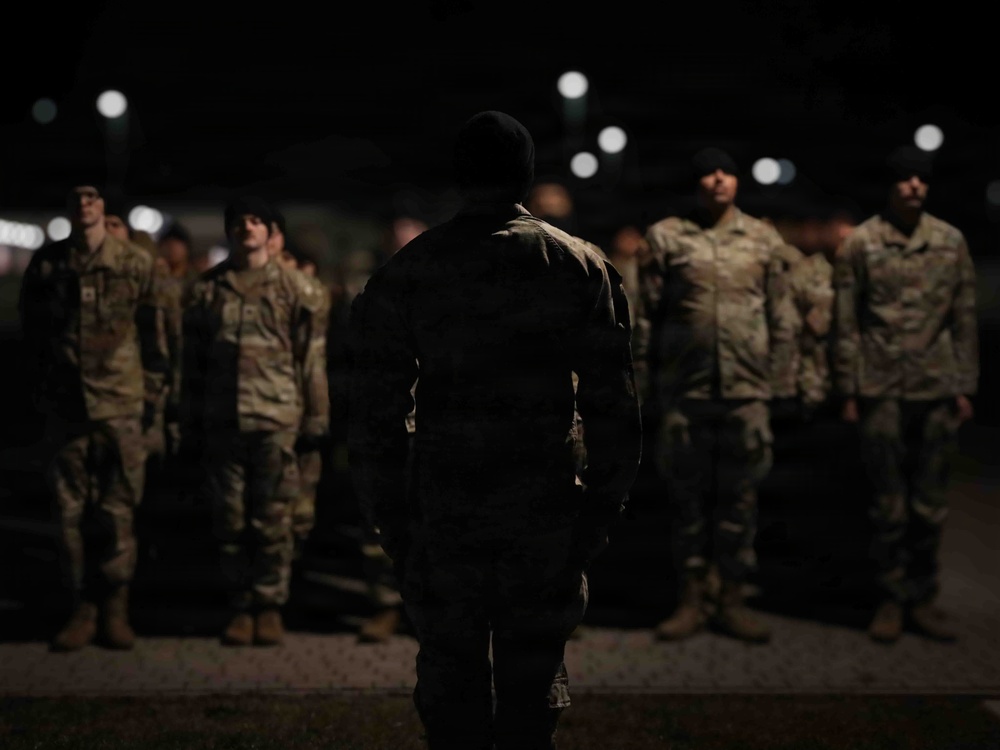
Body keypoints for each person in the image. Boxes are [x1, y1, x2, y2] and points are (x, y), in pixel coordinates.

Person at [348, 110, 642, 750]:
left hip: (444, 508)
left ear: (460, 176)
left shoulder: (412, 268)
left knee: (451, 680)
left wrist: (391, 520)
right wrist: (599, 513)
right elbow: (614, 406)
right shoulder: (577, 265)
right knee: (531, 683)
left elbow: (375, 413)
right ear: (526, 175)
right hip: (544, 507)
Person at [636, 146, 798, 644]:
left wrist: (782, 383)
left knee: (740, 499)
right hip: (686, 390)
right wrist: (643, 385)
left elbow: (781, 315)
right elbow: (646, 318)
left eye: (727, 172)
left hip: (746, 391)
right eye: (709, 173)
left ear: (738, 181)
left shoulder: (763, 239)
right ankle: (690, 599)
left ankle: (731, 598)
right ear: (697, 182)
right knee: (686, 500)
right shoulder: (666, 237)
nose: (719, 180)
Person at [833, 145, 978, 643]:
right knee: (887, 503)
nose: (915, 185)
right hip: (881, 388)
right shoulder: (862, 243)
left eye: (922, 178)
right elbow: (847, 322)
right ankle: (890, 599)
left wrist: (964, 385)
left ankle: (923, 597)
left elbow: (963, 318)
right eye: (905, 178)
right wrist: (849, 388)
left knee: (930, 503)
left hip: (936, 387)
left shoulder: (950, 242)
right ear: (891, 185)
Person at [18, 183, 169, 651]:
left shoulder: (134, 263)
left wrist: (153, 406)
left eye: (92, 197)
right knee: (69, 516)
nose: (84, 205)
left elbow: (158, 340)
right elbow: (32, 335)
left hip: (120, 405)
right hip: (66, 409)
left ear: (104, 206)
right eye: (76, 197)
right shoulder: (49, 263)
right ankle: (81, 608)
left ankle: (115, 608)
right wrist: (40, 396)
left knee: (117, 513)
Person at [180, 196, 330, 647]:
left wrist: (316, 417)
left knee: (274, 520)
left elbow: (311, 361)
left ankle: (268, 606)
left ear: (270, 231)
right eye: (239, 221)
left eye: (255, 221)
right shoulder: (207, 290)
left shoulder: (299, 289)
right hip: (222, 419)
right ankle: (240, 606)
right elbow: (192, 364)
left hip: (277, 419)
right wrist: (187, 419)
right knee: (229, 520)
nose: (247, 227)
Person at [264, 206, 332, 561]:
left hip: (309, 409)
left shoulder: (318, 298)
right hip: (279, 409)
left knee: (302, 502)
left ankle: (299, 558)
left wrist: (318, 416)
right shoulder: (277, 297)